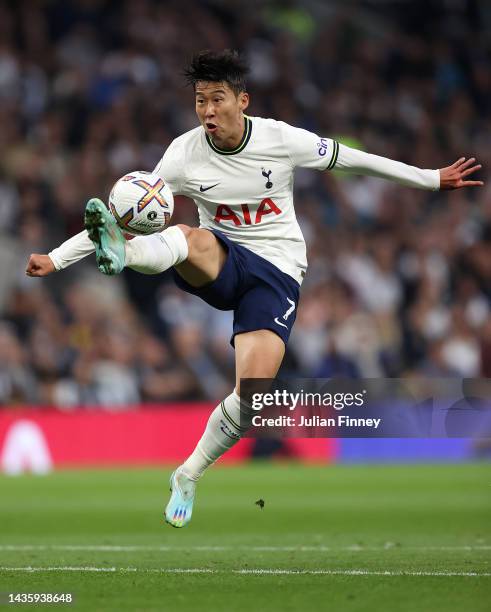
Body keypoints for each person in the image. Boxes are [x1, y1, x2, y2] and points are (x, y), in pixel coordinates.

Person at [26, 50, 483, 528]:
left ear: (242, 101)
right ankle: (126, 258)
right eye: (200, 101)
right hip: (220, 261)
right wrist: (57, 258)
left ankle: (188, 473)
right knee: (187, 236)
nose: (207, 111)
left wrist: (430, 178)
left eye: (216, 99)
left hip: (278, 271)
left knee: (253, 396)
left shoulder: (280, 139)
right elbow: (120, 217)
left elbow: (351, 159)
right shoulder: (183, 153)